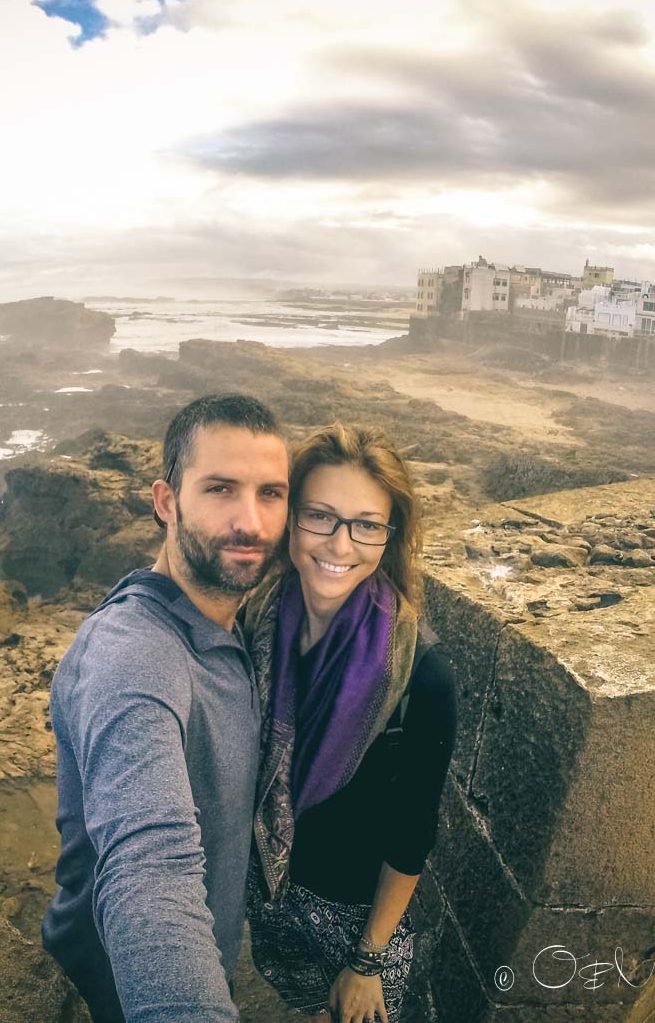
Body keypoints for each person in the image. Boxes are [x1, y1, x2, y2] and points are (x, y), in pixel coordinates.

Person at [41, 393, 290, 1023]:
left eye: (271, 494)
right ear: (165, 501)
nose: (251, 523)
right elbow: (150, 867)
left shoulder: (228, 619)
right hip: (115, 995)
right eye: (220, 489)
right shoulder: (133, 656)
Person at [242, 423, 457, 1023]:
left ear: (389, 538)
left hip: (353, 929)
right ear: (290, 519)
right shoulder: (251, 627)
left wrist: (366, 965)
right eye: (320, 516)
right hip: (271, 905)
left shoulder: (422, 679)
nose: (340, 545)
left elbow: (413, 835)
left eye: (367, 524)